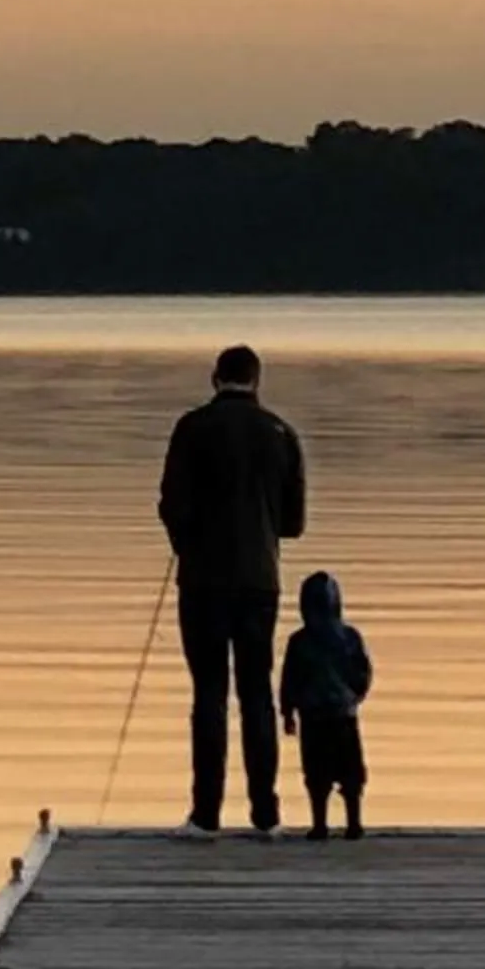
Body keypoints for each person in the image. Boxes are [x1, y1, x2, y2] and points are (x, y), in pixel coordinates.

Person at [157, 344, 306, 836]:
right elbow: (293, 523)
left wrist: (187, 541)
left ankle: (206, 815)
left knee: (210, 694)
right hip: (260, 582)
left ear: (214, 379)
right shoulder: (282, 433)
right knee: (257, 694)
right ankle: (266, 815)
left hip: (202, 582)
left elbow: (170, 504)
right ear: (257, 381)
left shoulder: (191, 428)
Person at [280, 569, 372, 842]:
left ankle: (320, 825)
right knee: (350, 773)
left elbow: (290, 679)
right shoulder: (350, 637)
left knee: (317, 773)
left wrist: (288, 711)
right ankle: (353, 823)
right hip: (343, 713)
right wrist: (354, 696)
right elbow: (363, 672)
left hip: (314, 715)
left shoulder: (299, 641)